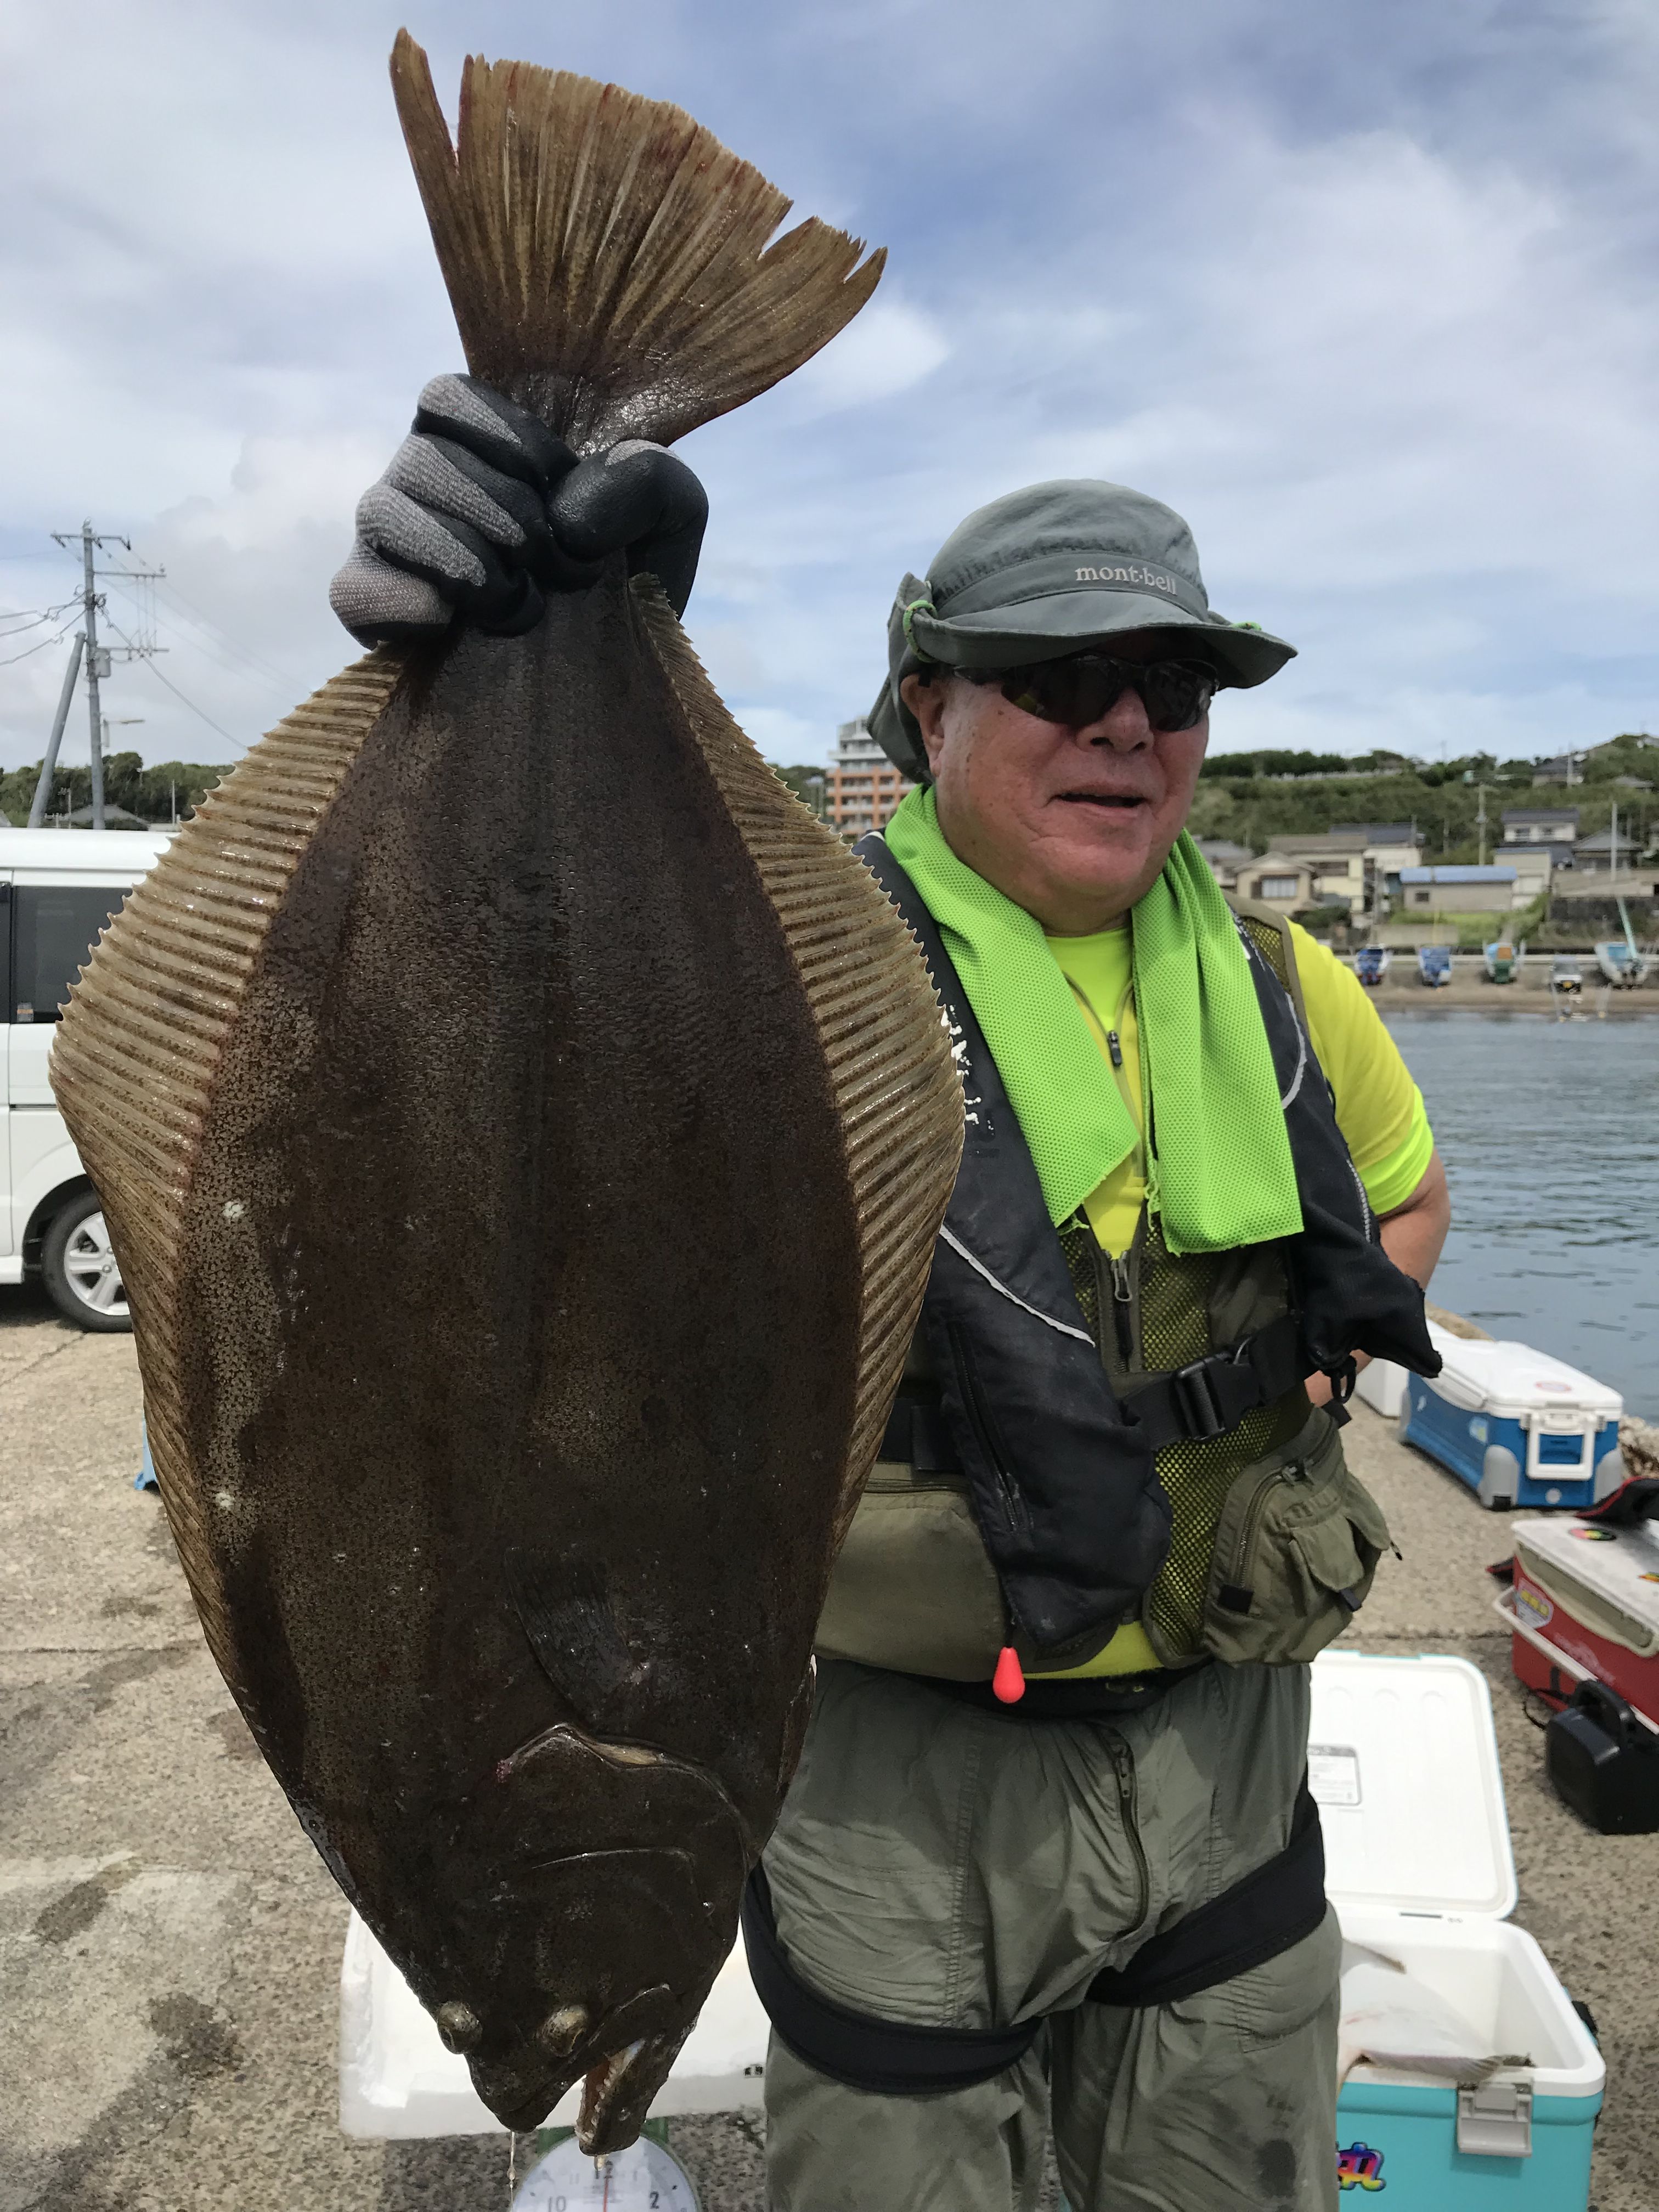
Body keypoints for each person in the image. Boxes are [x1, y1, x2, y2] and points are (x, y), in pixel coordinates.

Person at [334, 382, 1451, 2212]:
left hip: (1227, 1760)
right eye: (1058, 675)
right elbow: (497, 1083)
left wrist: (1303, 1386)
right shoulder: (773, 974)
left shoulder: (1285, 982)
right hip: (897, 1775)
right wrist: (496, 662)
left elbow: (1405, 1197)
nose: (1125, 722)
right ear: (929, 706)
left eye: (1173, 684)